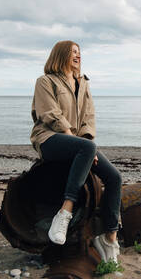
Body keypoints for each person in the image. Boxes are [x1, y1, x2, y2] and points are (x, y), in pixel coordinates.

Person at [30, 40, 122, 263]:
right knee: (87, 148)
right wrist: (77, 142)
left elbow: (88, 118)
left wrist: (85, 142)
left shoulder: (84, 84)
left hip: (79, 144)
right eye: (73, 52)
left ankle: (109, 238)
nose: (77, 55)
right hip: (49, 139)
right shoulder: (45, 81)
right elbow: (49, 114)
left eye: (79, 52)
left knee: (114, 177)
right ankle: (64, 213)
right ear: (61, 55)